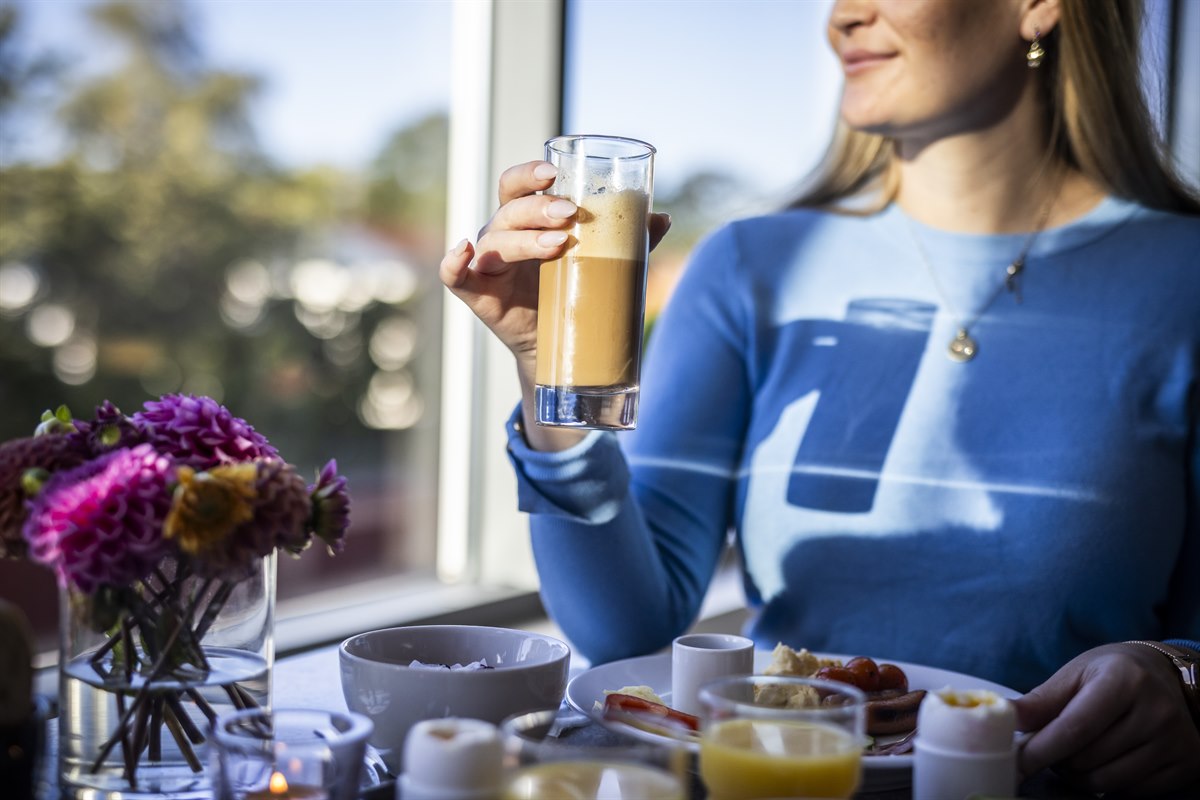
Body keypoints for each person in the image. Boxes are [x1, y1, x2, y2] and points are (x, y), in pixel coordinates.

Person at [440, 0, 1200, 793]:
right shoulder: (750, 269)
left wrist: (1180, 676)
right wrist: (546, 367)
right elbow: (625, 626)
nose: (843, 17)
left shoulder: (1186, 281)